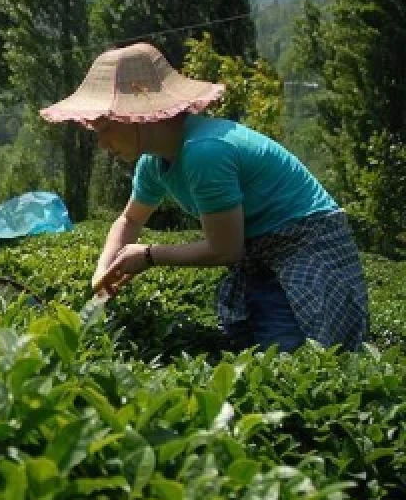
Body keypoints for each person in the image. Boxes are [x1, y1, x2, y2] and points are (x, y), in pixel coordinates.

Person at [41, 42, 369, 351]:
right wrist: (103, 271)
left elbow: (225, 248)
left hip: (307, 246)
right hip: (259, 255)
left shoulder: (204, 152)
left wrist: (149, 256)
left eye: (105, 128)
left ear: (135, 115)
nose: (102, 143)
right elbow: (129, 219)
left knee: (290, 355)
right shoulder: (153, 164)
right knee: (252, 347)